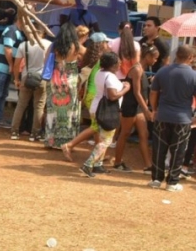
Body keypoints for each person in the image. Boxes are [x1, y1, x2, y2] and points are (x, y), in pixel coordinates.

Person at [69, 51, 128, 178]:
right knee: (106, 140)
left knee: (101, 138)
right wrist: (125, 89)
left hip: (96, 108)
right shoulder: (110, 77)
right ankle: (88, 164)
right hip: (106, 112)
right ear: (112, 65)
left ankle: (98, 164)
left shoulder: (100, 73)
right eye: (118, 63)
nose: (120, 65)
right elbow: (113, 96)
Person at [149, 44, 196, 190]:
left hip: (162, 115)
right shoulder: (194, 75)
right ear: (190, 57)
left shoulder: (163, 71)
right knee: (178, 151)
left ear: (177, 55)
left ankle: (156, 179)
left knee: (159, 148)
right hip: (183, 118)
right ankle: (172, 182)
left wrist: (154, 109)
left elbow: (153, 93)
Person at [111, 34, 155, 173]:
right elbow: (136, 93)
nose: (155, 61)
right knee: (124, 133)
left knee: (144, 134)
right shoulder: (136, 69)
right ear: (147, 56)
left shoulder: (140, 69)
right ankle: (117, 162)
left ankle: (148, 165)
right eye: (154, 58)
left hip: (138, 107)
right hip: (131, 106)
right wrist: (146, 110)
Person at [41, 26, 81, 149]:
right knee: (69, 111)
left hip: (54, 80)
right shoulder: (76, 46)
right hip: (71, 81)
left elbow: (46, 61)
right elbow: (89, 56)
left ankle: (51, 141)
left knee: (52, 111)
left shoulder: (54, 46)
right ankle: (66, 142)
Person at [10, 26, 52, 140]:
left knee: (21, 105)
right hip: (42, 78)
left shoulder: (24, 45)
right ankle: (35, 133)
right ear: (43, 33)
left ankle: (14, 131)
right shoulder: (49, 44)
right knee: (39, 107)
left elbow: (17, 64)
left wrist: (16, 79)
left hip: (26, 77)